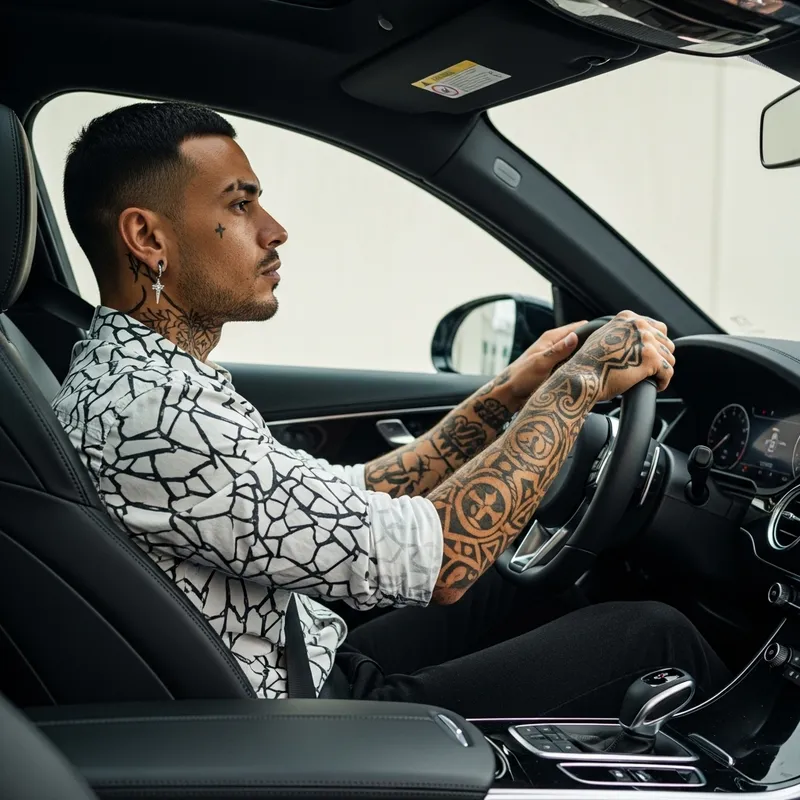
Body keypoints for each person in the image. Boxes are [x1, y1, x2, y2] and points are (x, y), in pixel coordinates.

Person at [52, 101, 729, 717]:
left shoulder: (136, 377)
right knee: (654, 636)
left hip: (305, 660)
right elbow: (446, 559)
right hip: (302, 726)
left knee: (541, 585)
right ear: (147, 238)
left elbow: (355, 494)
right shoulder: (160, 415)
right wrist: (577, 385)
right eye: (240, 204)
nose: (274, 230)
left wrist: (508, 395)